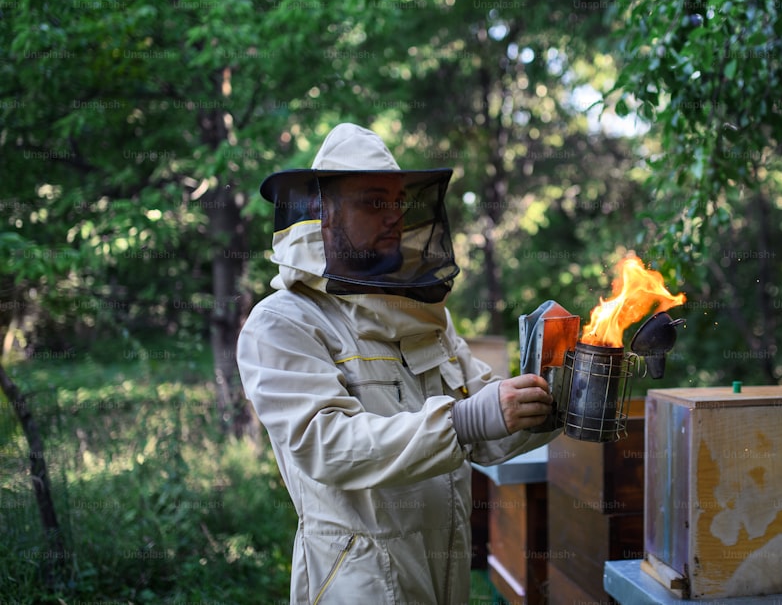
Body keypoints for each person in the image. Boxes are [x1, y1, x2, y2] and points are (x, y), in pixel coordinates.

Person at [236, 123, 559, 604]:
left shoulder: (422, 313)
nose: (393, 217)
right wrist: (468, 419)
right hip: (359, 582)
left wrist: (566, 390)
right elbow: (325, 444)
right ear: (325, 213)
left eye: (398, 202)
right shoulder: (284, 322)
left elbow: (490, 432)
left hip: (444, 574)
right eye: (372, 202)